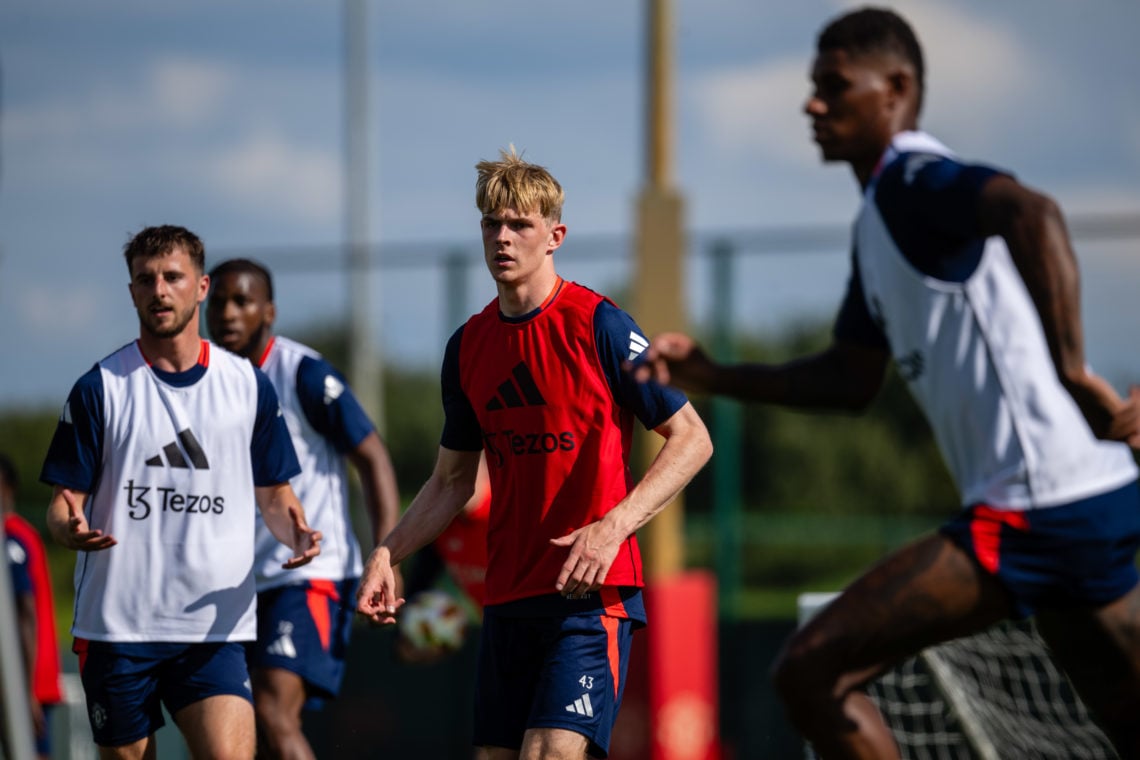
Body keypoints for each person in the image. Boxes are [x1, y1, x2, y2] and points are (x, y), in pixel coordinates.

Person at [633, 7, 1140, 759]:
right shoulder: (879, 222)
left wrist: (1073, 373)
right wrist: (714, 375)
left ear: (896, 89)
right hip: (1074, 506)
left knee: (811, 669)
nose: (813, 104)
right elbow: (846, 380)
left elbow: (1033, 212)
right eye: (813, 88)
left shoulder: (911, 177)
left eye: (834, 87)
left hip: (1040, 509)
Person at [356, 147, 713, 760]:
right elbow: (451, 481)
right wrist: (389, 550)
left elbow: (693, 439)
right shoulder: (467, 345)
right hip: (507, 599)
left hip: (589, 596)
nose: (503, 237)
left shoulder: (600, 324)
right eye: (492, 223)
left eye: (520, 224)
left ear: (555, 235)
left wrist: (612, 528)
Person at [39, 225, 322, 760]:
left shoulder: (246, 385)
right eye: (145, 280)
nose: (159, 290)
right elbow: (63, 503)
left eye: (173, 277)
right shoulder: (101, 387)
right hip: (118, 631)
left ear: (202, 287)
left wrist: (297, 532)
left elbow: (275, 495)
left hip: (213, 630)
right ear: (131, 293)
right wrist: (68, 528)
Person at [205, 258, 402, 759]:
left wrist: (387, 556)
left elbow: (373, 457)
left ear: (268, 311)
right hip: (232, 584)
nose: (229, 313)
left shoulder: (303, 374)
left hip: (310, 574)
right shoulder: (199, 382)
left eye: (242, 301)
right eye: (219, 301)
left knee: (272, 710)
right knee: (233, 727)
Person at [395, 453, 490, 664]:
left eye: (467, 469)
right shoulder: (443, 526)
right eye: (450, 473)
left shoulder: (506, 514)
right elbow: (419, 583)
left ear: (487, 472)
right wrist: (409, 636)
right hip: (497, 636)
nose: (457, 478)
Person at [2, 453, 63, 760]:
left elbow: (25, 612)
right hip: (28, 680)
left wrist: (24, 692)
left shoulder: (11, 538)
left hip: (23, 680)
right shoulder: (23, 533)